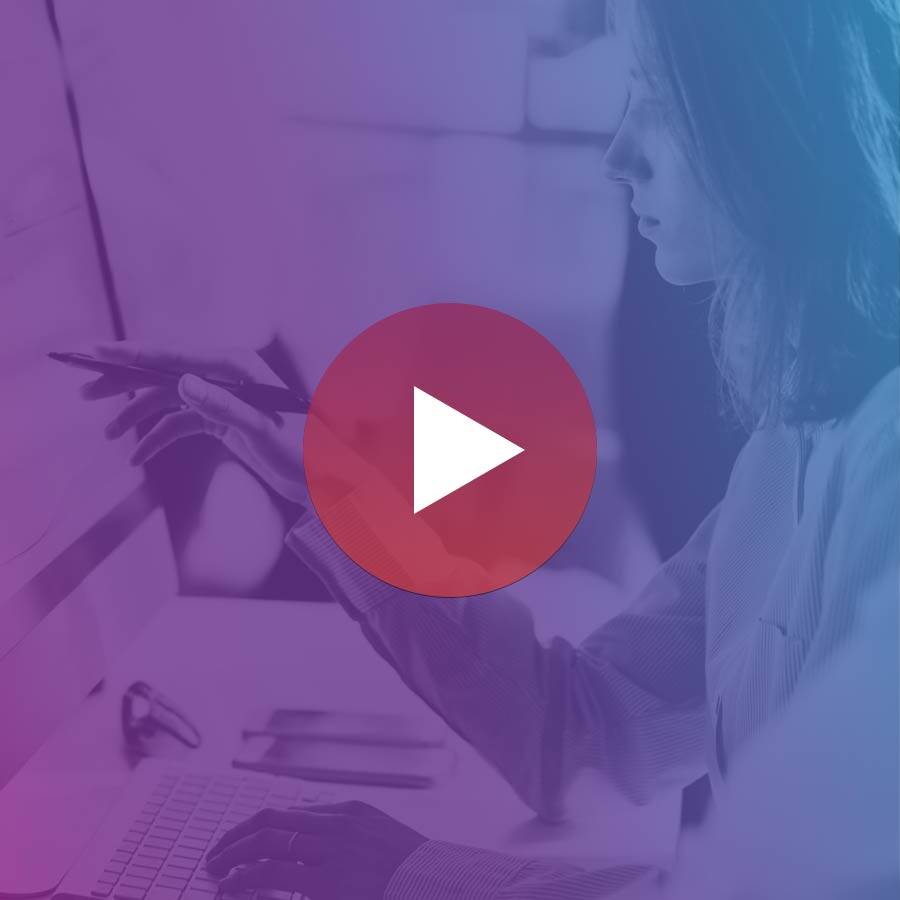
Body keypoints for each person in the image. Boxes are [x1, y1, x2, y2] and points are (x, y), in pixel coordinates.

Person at [85, 0, 899, 897]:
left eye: (658, 102)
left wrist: (426, 875)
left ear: (776, 114)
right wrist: (333, 485)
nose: (618, 155)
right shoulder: (792, 440)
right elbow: (581, 736)